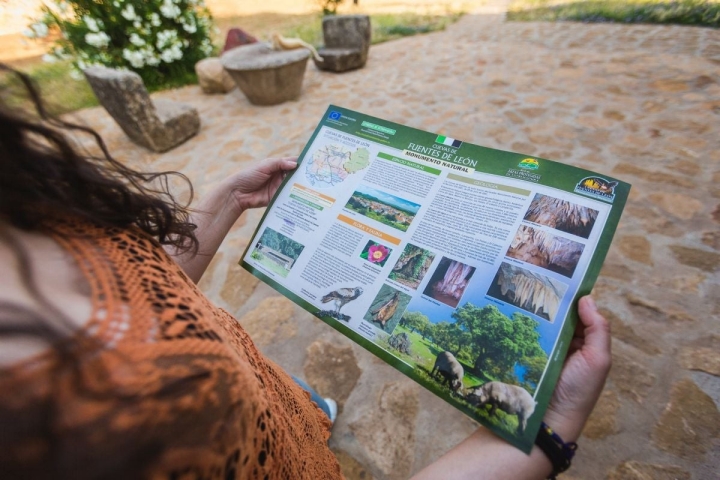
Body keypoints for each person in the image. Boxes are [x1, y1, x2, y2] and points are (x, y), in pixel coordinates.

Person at [0, 65, 611, 479]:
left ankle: (305, 407)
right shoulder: (36, 420)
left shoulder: (19, 189)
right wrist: (548, 435)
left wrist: (224, 203)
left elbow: (149, 295)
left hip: (276, 406)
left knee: (301, 402)